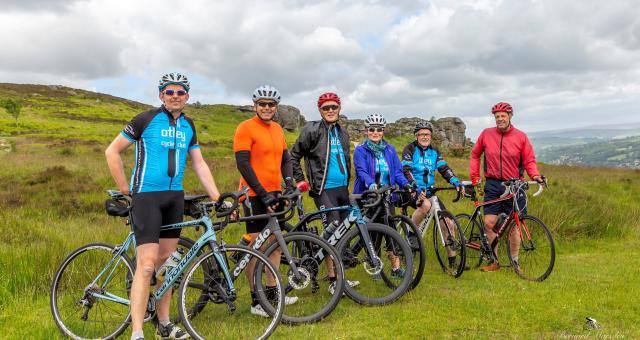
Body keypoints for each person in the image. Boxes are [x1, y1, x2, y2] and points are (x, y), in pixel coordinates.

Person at [106, 72, 222, 340]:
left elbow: (199, 163)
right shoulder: (145, 120)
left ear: (187, 97)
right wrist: (126, 189)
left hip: (174, 200)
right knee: (146, 266)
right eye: (169, 92)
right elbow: (112, 151)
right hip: (146, 198)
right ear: (161, 95)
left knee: (168, 265)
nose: (175, 97)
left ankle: (165, 324)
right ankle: (137, 332)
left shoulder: (189, 125)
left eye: (180, 92)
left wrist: (217, 196)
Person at [233, 85, 298, 317]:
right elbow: (243, 164)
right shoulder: (245, 128)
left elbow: (286, 159)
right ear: (255, 106)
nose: (267, 108)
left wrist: (289, 183)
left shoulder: (278, 129)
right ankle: (256, 302)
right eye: (262, 104)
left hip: (275, 193)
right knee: (256, 248)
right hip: (253, 196)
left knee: (275, 245)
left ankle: (272, 295)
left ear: (276, 107)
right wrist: (262, 193)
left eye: (271, 105)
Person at [290, 92, 359, 295]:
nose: (330, 111)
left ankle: (340, 277)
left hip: (342, 190)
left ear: (339, 109)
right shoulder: (312, 129)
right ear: (320, 110)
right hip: (323, 189)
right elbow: (294, 155)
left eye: (334, 107)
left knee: (343, 233)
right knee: (332, 231)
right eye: (326, 108)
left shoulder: (343, 133)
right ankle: (332, 281)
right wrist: (300, 179)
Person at [469, 101, 544, 272]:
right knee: (489, 223)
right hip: (493, 184)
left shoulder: (521, 136)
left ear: (510, 116)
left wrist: (535, 176)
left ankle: (515, 263)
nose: (500, 119)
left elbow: (529, 160)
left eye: (503, 116)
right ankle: (495, 262)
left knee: (515, 226)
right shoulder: (486, 134)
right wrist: (475, 176)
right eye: (497, 117)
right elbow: (475, 155)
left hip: (516, 184)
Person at [353, 113, 411, 278]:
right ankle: (375, 266)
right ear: (367, 131)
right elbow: (361, 171)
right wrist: (372, 184)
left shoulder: (390, 149)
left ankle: (395, 268)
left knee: (390, 231)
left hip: (387, 196)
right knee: (372, 233)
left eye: (379, 129)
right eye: (372, 129)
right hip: (369, 196)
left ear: (383, 131)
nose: (375, 132)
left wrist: (406, 184)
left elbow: (398, 172)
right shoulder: (360, 150)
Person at [401, 121, 462, 267]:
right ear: (416, 136)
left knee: (448, 223)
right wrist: (415, 186)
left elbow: (444, 168)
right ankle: (411, 235)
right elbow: (406, 170)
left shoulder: (434, 152)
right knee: (426, 205)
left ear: (431, 135)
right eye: (421, 134)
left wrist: (455, 181)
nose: (424, 136)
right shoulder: (409, 149)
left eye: (427, 134)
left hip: (429, 191)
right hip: (411, 190)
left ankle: (452, 261)